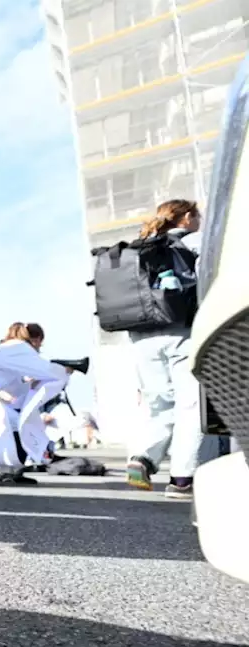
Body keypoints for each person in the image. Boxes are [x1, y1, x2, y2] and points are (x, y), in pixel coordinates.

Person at [123, 200, 203, 498]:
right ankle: (181, 480)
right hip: (179, 330)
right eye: (198, 215)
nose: (201, 221)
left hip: (141, 335)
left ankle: (142, 458)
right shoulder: (189, 243)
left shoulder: (140, 245)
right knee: (190, 403)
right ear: (185, 217)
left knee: (159, 404)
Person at [0, 323, 73, 469]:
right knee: (18, 425)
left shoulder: (0, 348)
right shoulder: (20, 348)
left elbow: (9, 376)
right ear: (36, 339)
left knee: (22, 423)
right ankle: (12, 470)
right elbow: (46, 370)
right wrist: (64, 371)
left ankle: (18, 465)